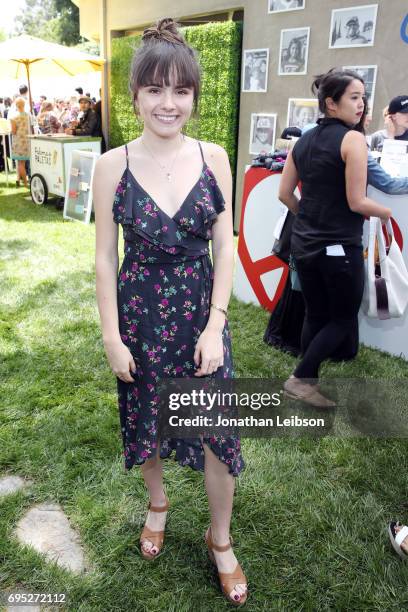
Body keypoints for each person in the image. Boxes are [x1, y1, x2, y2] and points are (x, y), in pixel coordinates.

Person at [93, 17, 247, 606]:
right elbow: (106, 259)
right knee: (150, 421)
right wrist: (112, 335)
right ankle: (158, 507)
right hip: (139, 315)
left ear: (193, 97)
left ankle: (220, 538)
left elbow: (225, 244)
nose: (168, 103)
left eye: (181, 90)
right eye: (155, 89)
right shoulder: (113, 165)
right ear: (134, 95)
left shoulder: (214, 157)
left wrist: (216, 322)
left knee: (217, 434)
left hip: (198, 317)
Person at [278, 68, 392, 407]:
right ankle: (300, 379)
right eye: (354, 97)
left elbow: (285, 194)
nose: (361, 104)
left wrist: (310, 221)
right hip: (338, 246)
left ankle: (307, 381)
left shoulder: (303, 139)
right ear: (331, 102)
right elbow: (358, 201)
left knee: (316, 314)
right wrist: (387, 213)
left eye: (362, 97)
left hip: (305, 244)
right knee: (342, 319)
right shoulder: (353, 139)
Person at [10, 97, 32, 188]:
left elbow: (13, 131)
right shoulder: (28, 115)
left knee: (20, 163)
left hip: (18, 141)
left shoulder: (13, 117)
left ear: (16, 105)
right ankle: (18, 181)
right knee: (21, 162)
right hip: (27, 140)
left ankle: (26, 184)